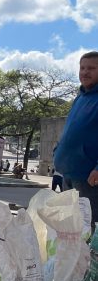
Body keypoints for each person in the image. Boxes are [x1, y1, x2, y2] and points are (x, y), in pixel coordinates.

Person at [55, 51, 98, 223]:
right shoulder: (79, 98)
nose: (85, 72)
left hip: (89, 179)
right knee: (70, 232)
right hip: (68, 175)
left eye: (92, 68)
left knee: (89, 232)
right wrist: (57, 151)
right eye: (82, 68)